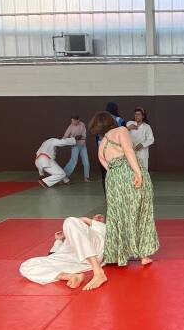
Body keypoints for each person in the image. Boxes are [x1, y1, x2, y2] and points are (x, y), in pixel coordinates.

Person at [88, 110, 159, 266]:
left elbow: (106, 165)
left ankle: (118, 255)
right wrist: (137, 173)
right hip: (129, 174)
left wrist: (117, 177)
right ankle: (144, 254)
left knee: (117, 216)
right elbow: (128, 151)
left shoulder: (102, 144)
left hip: (113, 180)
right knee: (141, 211)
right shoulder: (121, 130)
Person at [19, 215, 107, 290]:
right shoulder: (65, 241)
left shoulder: (97, 233)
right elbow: (53, 254)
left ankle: (98, 272)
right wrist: (59, 240)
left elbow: (107, 233)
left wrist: (88, 221)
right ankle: (70, 276)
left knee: (69, 221)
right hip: (74, 261)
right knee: (26, 265)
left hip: (95, 253)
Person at [98, 101, 126, 189]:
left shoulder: (101, 120)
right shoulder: (120, 120)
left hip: (103, 150)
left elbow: (97, 136)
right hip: (117, 152)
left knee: (105, 174)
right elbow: (124, 134)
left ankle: (107, 193)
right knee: (118, 173)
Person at [62, 115, 91, 182]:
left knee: (86, 162)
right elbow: (65, 135)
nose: (72, 122)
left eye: (73, 121)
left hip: (83, 146)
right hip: (75, 146)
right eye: (71, 121)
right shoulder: (70, 126)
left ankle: (86, 177)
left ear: (78, 120)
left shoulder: (82, 124)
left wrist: (80, 137)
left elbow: (84, 136)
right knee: (73, 161)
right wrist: (61, 141)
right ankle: (63, 175)